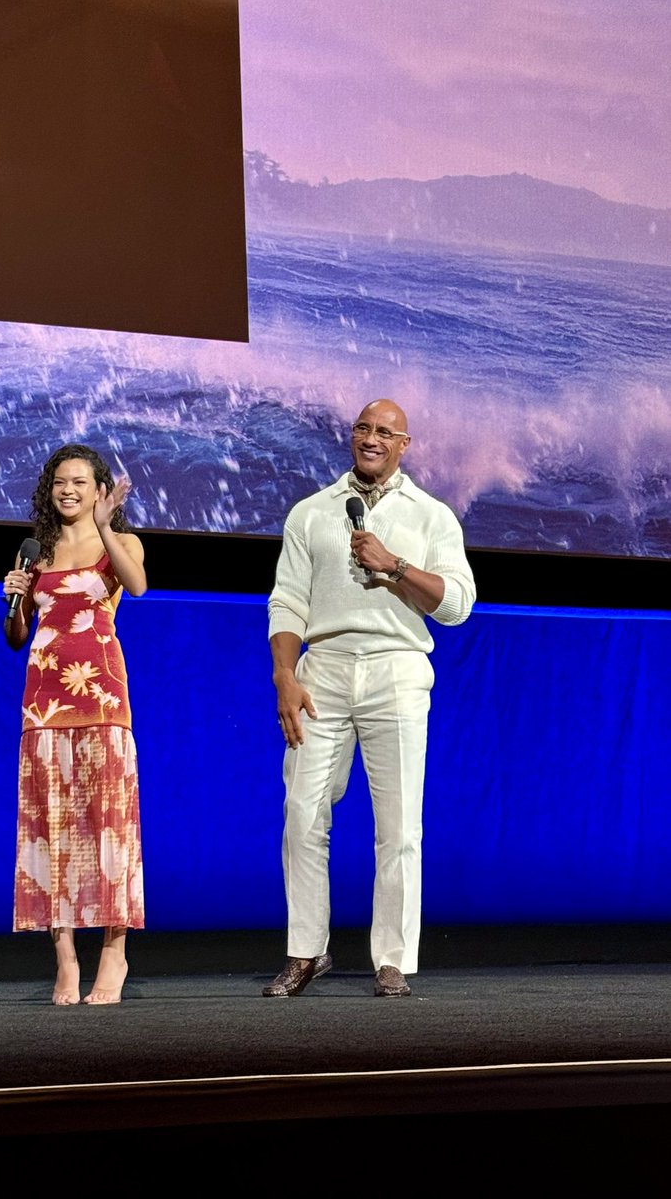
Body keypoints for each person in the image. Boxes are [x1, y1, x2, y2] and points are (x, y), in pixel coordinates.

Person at [263, 399, 476, 999]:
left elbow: (457, 605)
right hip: (322, 671)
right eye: (363, 429)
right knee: (303, 813)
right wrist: (284, 673)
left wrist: (393, 564)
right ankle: (306, 950)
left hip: (397, 671)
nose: (371, 439)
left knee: (400, 825)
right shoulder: (311, 512)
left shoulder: (432, 516)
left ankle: (392, 960)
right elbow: (287, 601)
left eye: (385, 431)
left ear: (404, 443)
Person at [3, 444, 147, 1005]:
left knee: (107, 823)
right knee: (52, 829)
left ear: (98, 489)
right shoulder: (35, 555)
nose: (68, 490)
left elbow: (135, 586)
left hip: (102, 697)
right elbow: (17, 638)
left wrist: (107, 529)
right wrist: (13, 599)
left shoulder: (120, 544)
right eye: (60, 481)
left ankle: (114, 953)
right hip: (43, 701)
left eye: (80, 482)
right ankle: (65, 959)